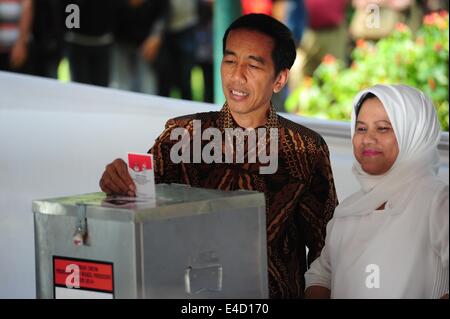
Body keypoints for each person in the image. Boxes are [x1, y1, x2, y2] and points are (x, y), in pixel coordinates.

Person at [99, 13, 338, 298]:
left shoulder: (304, 149)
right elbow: (139, 209)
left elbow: (326, 251)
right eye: (230, 61)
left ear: (280, 79)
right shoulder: (182, 136)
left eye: (253, 64)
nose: (237, 75)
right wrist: (117, 182)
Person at [304, 84, 449, 299]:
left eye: (382, 128)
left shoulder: (437, 201)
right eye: (361, 128)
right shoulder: (348, 210)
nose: (368, 139)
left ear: (414, 134)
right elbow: (321, 274)